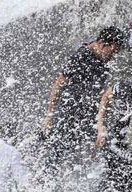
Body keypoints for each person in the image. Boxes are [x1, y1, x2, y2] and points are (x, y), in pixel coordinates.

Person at [40, 26, 127, 162]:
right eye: (113, 52)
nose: (114, 57)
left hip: (89, 113)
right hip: (70, 113)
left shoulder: (103, 60)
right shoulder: (81, 56)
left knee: (105, 145)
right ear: (102, 44)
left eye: (116, 53)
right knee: (58, 150)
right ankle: (41, 178)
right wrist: (49, 115)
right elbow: (58, 83)